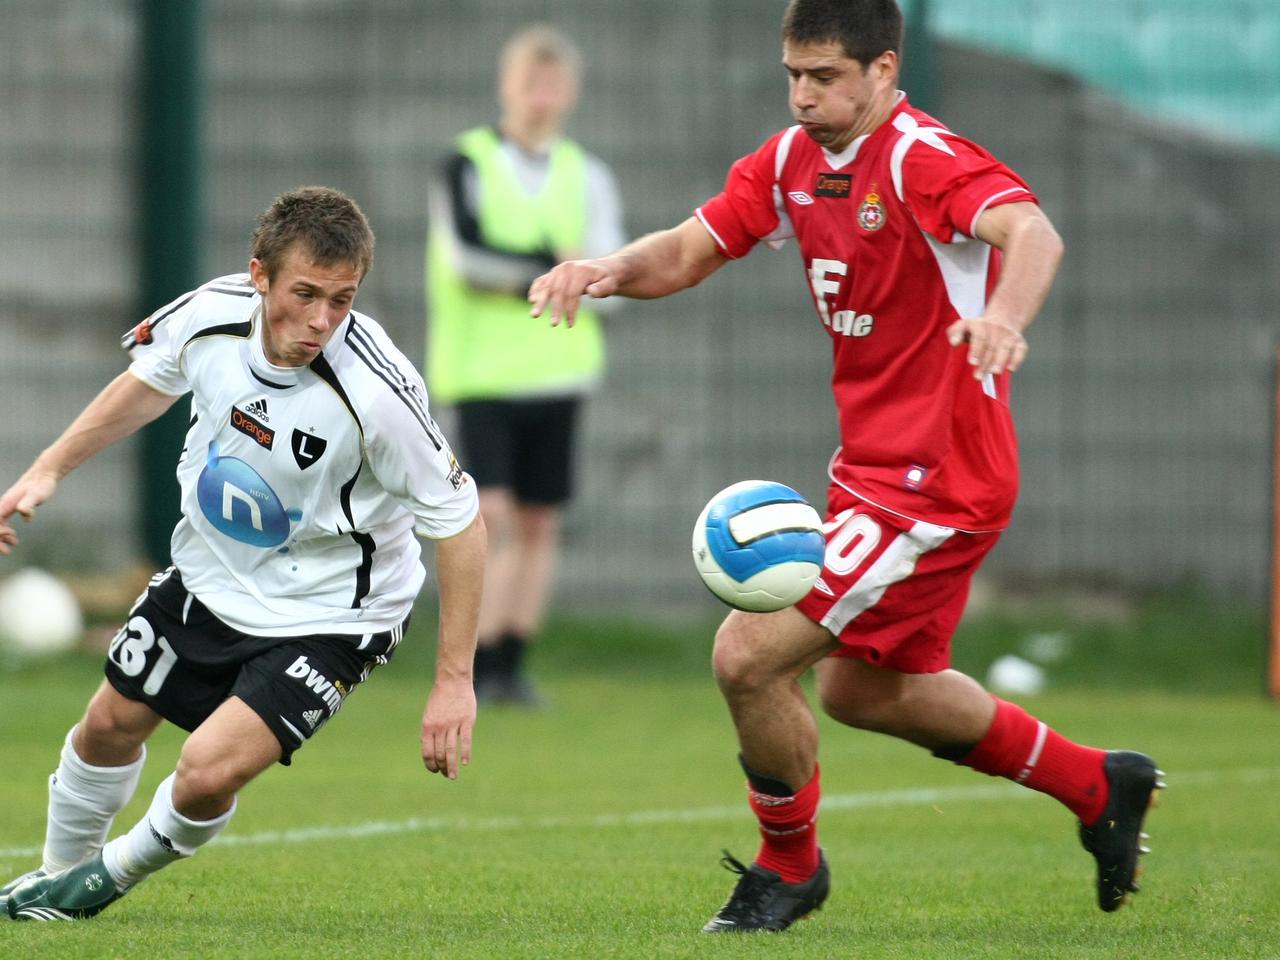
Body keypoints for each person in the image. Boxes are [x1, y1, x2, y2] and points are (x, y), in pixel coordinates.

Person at [530, 0, 1162, 933]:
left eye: (825, 77)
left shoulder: (919, 157)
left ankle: (791, 869)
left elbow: (1034, 233)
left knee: (747, 657)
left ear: (883, 70)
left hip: (938, 480)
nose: (803, 96)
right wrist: (606, 269)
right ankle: (1098, 783)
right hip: (870, 473)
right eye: (794, 74)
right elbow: (690, 249)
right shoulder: (791, 162)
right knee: (863, 690)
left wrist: (1003, 320)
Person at [0, 186, 485, 922]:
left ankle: (100, 882)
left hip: (332, 613)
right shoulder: (208, 317)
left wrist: (454, 681)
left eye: (343, 299)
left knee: (204, 773)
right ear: (259, 277)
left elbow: (460, 522)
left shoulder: (377, 393)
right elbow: (143, 387)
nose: (323, 319)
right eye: (306, 294)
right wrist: (46, 470)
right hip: (210, 575)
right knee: (107, 727)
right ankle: (57, 882)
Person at [426, 24, 625, 705]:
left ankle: (512, 660)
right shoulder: (467, 162)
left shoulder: (587, 174)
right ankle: (469, 661)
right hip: (484, 374)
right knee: (491, 516)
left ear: (570, 92)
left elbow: (610, 272)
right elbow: (469, 259)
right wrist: (551, 266)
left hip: (560, 373)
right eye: (530, 81)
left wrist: (570, 273)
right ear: (507, 86)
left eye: (554, 83)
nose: (542, 96)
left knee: (540, 522)